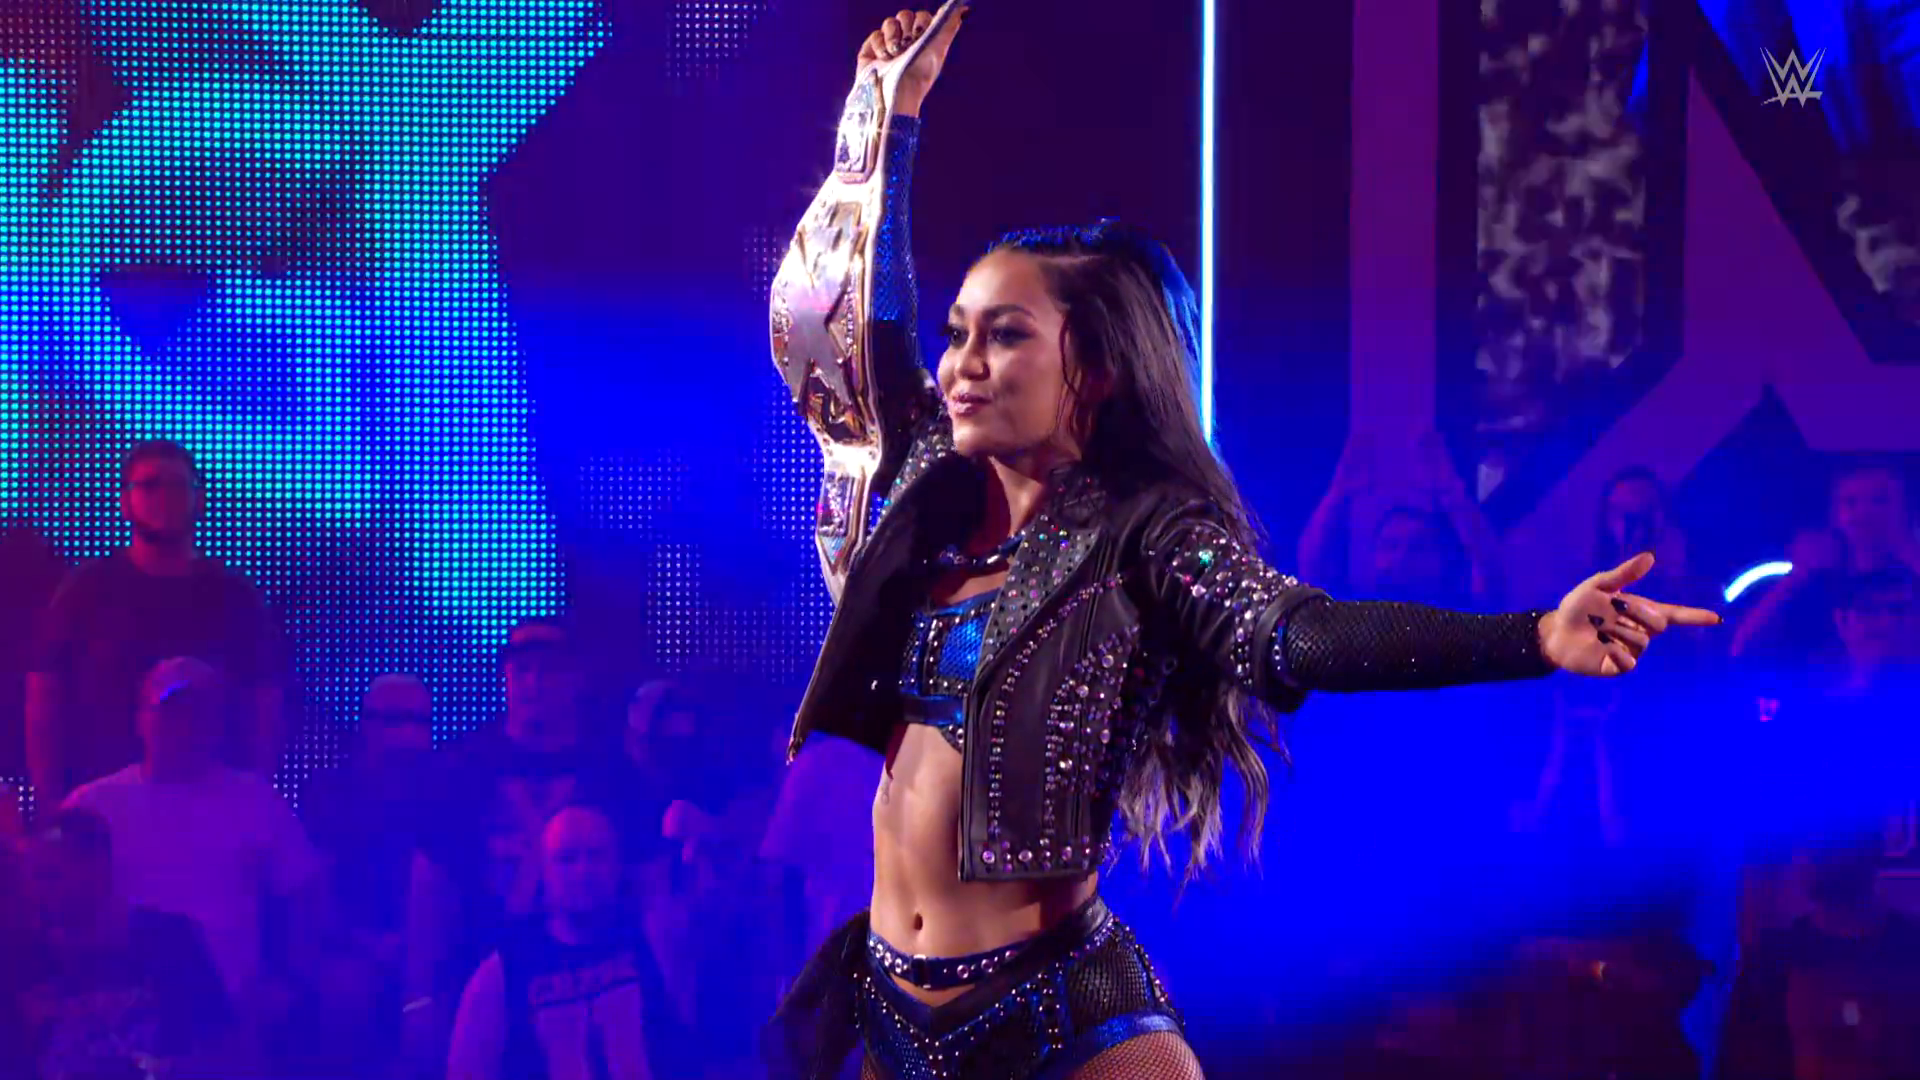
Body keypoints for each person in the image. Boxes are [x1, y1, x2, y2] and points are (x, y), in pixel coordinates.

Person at [760, 11, 1721, 1079]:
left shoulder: (1147, 532)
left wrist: (1532, 636)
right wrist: (888, 117)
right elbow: (852, 333)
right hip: (892, 1011)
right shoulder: (929, 494)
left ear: (1098, 369)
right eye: (960, 334)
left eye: (1006, 334)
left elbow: (1300, 635)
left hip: (1055, 1015)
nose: (963, 363)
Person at [27, 440, 287, 807]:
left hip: (211, 806)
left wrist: (252, 800)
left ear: (199, 500)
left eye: (177, 485)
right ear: (125, 502)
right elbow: (44, 700)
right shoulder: (85, 591)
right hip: (101, 808)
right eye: (150, 485)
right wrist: (51, 804)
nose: (165, 496)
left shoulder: (234, 596)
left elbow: (266, 703)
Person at [448, 802, 682, 1080]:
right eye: (567, 859)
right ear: (544, 873)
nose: (584, 870)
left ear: (616, 867)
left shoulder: (651, 945)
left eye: (596, 856)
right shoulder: (504, 970)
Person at [5, 807, 238, 1078]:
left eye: (50, 874)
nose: (38, 889)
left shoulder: (170, 943)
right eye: (33, 875)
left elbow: (219, 1052)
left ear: (97, 869)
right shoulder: (24, 959)